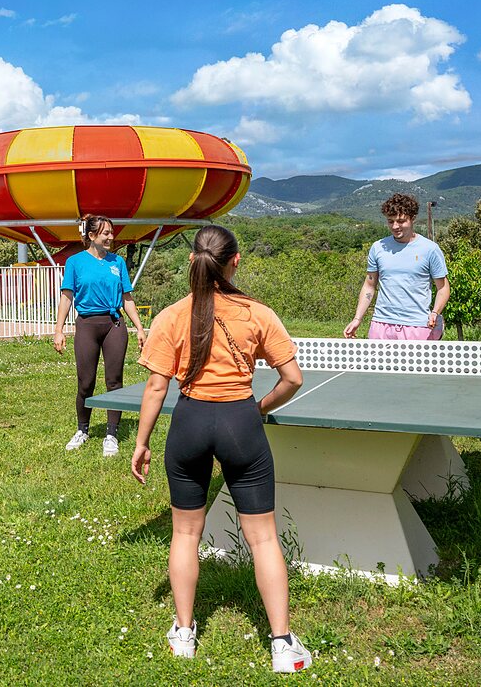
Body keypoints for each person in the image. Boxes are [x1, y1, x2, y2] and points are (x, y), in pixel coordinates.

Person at [130, 224, 313, 672]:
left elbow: (156, 386)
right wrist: (260, 408)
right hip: (240, 424)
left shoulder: (172, 315)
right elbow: (293, 379)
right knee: (264, 537)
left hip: (189, 423)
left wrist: (141, 441)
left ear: (192, 261)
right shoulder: (258, 313)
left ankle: (185, 633)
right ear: (234, 262)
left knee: (185, 534)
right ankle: (283, 644)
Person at [53, 215, 146, 457]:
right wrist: (59, 329)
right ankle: (82, 430)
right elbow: (66, 297)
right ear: (91, 236)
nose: (110, 237)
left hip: (114, 325)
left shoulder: (118, 263)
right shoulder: (75, 262)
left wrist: (140, 328)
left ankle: (111, 434)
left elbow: (127, 299)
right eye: (105, 233)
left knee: (114, 382)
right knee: (86, 382)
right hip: (86, 325)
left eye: (112, 233)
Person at [344, 193, 450, 341]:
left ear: (412, 218)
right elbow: (369, 286)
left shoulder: (430, 249)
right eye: (390, 221)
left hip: (417, 326)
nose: (395, 226)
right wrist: (357, 319)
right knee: (378, 366)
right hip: (380, 325)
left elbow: (443, 288)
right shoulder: (378, 247)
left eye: (401, 221)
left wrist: (435, 313)